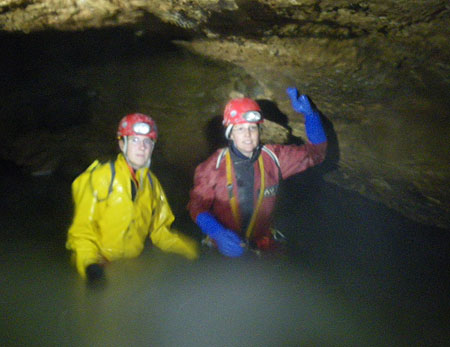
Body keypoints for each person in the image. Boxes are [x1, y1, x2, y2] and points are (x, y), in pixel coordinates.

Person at [187, 87, 327, 257]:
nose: (248, 135)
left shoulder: (274, 158)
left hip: (262, 246)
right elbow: (197, 205)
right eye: (240, 129)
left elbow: (316, 154)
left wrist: (311, 116)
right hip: (223, 247)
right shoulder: (213, 166)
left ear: (259, 131)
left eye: (252, 128)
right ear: (230, 134)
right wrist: (217, 232)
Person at [66, 113, 199, 282]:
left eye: (147, 141)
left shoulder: (152, 184)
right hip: (97, 265)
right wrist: (90, 264)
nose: (142, 147)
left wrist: (192, 251)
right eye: (135, 140)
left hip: (131, 266)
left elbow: (161, 232)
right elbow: (81, 231)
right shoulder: (100, 178)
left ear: (152, 147)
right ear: (122, 144)